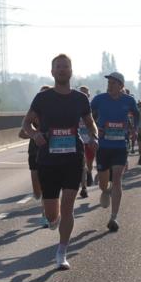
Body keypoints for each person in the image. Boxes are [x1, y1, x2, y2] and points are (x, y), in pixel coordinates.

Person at [22, 54, 98, 269]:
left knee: (68, 207)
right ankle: (52, 221)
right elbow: (26, 124)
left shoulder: (80, 99)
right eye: (58, 67)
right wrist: (35, 134)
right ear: (52, 72)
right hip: (48, 160)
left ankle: (62, 251)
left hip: (73, 158)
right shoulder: (43, 98)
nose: (62, 70)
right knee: (51, 214)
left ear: (71, 71)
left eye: (66, 66)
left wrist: (95, 137)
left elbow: (91, 123)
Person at [90, 72, 139, 232]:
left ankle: (114, 217)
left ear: (121, 86)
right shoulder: (99, 99)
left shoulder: (129, 100)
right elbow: (87, 116)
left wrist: (134, 130)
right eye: (108, 83)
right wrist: (96, 129)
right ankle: (105, 190)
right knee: (104, 182)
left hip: (119, 146)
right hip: (103, 146)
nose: (109, 85)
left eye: (112, 83)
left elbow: (136, 114)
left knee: (117, 179)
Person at [19, 86, 52, 225]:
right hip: (34, 150)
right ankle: (39, 196)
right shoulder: (33, 111)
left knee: (46, 185)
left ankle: (45, 214)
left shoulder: (53, 111)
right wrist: (34, 134)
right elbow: (21, 134)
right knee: (37, 189)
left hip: (49, 150)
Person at [77, 85, 95, 196]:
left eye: (86, 93)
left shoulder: (93, 107)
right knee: (82, 164)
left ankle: (89, 173)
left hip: (90, 140)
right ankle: (83, 187)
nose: (83, 95)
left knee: (89, 163)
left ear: (88, 95)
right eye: (81, 93)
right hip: (77, 140)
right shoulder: (73, 107)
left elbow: (95, 122)